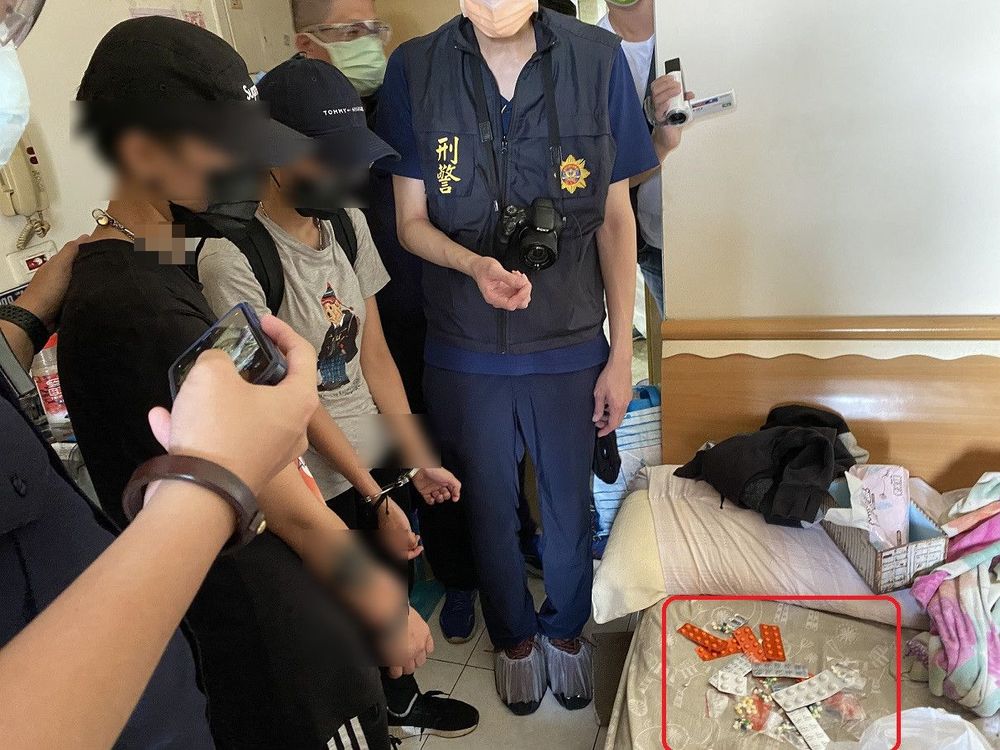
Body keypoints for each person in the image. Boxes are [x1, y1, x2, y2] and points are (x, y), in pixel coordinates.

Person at [58, 17, 432, 749]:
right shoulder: (141, 307)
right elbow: (280, 496)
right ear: (142, 146)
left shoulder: (147, 258)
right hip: (258, 617)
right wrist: (384, 607)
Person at [375, 0, 659, 714]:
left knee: (567, 508)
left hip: (569, 341)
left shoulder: (597, 61)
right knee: (487, 508)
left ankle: (565, 629)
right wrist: (473, 265)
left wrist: (619, 357)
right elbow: (410, 222)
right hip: (464, 346)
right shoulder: (415, 68)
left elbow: (615, 219)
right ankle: (514, 638)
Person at [197, 55, 480, 742]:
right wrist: (373, 495)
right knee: (344, 623)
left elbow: (372, 352)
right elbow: (284, 399)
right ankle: (369, 721)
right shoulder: (231, 259)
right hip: (306, 480)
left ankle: (401, 703)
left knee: (391, 587)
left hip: (369, 452)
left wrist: (411, 457)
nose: (344, 176)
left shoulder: (348, 224)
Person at [291, 0, 487, 645]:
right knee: (377, 474)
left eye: (374, 29)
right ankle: (430, 582)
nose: (369, 43)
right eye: (350, 31)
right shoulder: (292, 135)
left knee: (444, 448)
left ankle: (466, 570)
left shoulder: (408, 100)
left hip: (426, 315)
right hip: (343, 346)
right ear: (306, 43)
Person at [599, 0, 692, 317]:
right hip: (653, 241)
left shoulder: (698, 24)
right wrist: (660, 143)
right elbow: (605, 181)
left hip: (725, 224)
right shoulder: (590, 55)